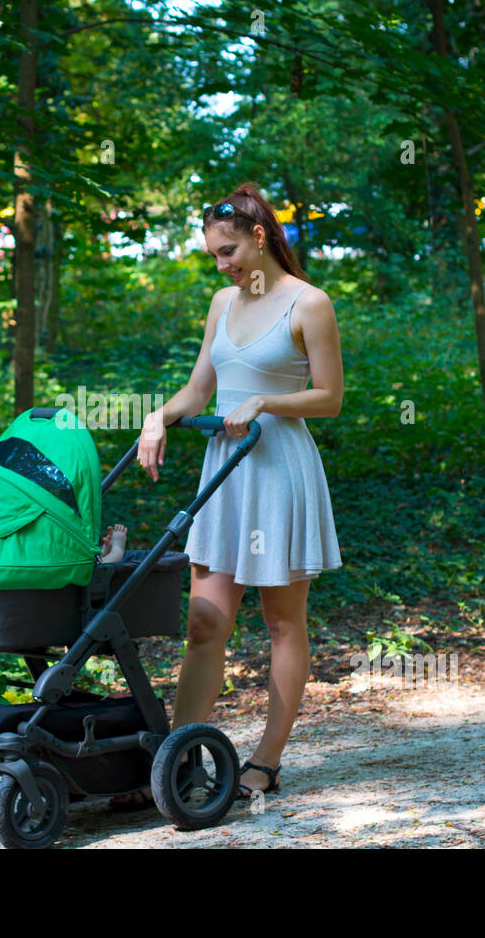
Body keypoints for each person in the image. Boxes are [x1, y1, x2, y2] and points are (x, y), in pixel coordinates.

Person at [116, 182, 344, 808]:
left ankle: (266, 761)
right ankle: (179, 759)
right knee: (203, 623)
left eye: (228, 251)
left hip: (279, 471)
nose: (223, 265)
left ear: (259, 236)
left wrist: (266, 400)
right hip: (225, 472)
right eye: (215, 256)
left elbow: (329, 397)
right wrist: (158, 417)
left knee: (281, 622)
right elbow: (198, 390)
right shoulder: (222, 302)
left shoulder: (309, 303)